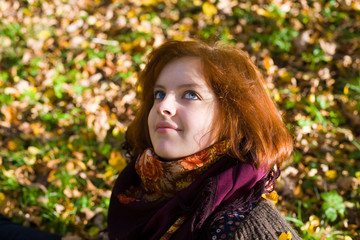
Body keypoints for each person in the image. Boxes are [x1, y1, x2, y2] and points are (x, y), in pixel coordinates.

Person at [107, 40, 301, 240]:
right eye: (159, 93)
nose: (163, 105)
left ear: (233, 117)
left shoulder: (250, 229)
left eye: (191, 94)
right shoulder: (133, 191)